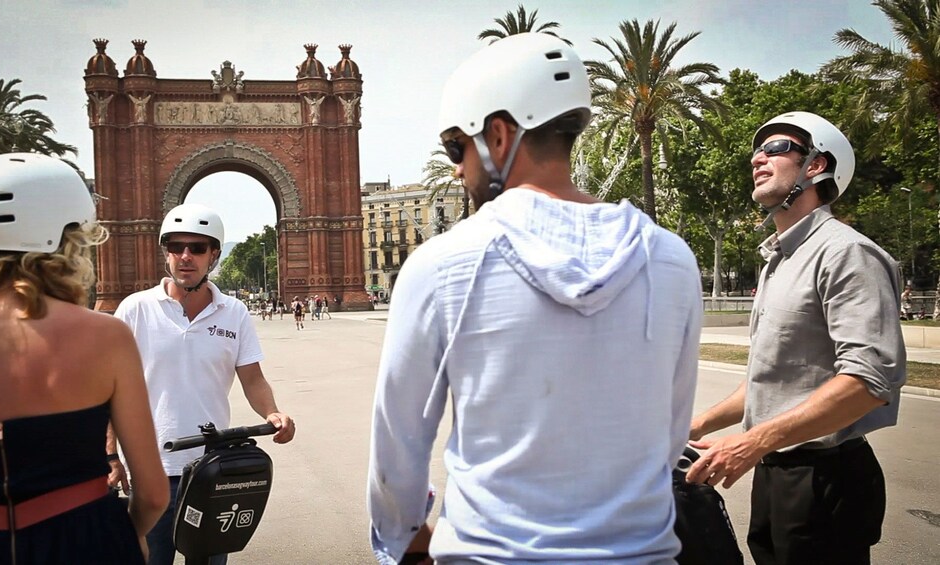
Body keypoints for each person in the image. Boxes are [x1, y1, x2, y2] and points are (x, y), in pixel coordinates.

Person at [367, 33, 702, 564]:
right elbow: (668, 432)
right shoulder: (671, 260)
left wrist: (405, 536)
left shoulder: (443, 265)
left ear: (498, 136)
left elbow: (397, 446)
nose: (456, 168)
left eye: (457, 147)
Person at [686, 111, 906, 564]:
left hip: (825, 481)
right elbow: (770, 381)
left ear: (816, 166)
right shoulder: (779, 261)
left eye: (777, 148)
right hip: (776, 472)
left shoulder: (847, 253)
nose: (758, 158)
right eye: (756, 150)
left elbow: (869, 382)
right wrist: (693, 427)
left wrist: (751, 442)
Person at [0, 153, 168, 563]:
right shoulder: (106, 336)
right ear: (66, 240)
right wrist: (121, 535)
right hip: (86, 538)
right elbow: (151, 494)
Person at [109, 202, 296, 565]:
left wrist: (273, 412)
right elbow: (109, 389)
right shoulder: (136, 309)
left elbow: (253, 379)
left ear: (214, 254)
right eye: (176, 246)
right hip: (150, 470)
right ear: (165, 252)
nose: (185, 256)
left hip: (212, 470)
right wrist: (110, 455)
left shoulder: (234, 312)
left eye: (196, 248)